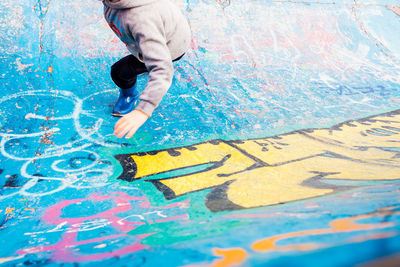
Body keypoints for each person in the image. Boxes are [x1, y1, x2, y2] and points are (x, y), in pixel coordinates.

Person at [102, 0, 191, 139]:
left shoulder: (141, 19)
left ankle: (129, 96)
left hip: (170, 48)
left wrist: (143, 110)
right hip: (161, 31)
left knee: (120, 72)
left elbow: (162, 69)